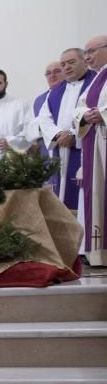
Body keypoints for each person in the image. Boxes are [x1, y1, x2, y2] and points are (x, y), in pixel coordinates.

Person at [37, 48, 96, 210]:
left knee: (88, 204)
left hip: (86, 149)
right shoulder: (55, 91)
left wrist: (74, 135)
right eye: (63, 64)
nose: (66, 67)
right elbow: (44, 118)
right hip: (62, 150)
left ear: (84, 61)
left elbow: (96, 114)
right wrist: (57, 134)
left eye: (71, 62)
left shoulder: (96, 84)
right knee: (64, 200)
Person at [73, 34, 107, 266]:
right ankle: (99, 252)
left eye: (91, 51)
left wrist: (102, 114)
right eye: (85, 53)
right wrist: (86, 115)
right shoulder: (96, 79)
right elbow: (79, 108)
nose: (88, 57)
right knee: (97, 195)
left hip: (102, 140)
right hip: (96, 146)